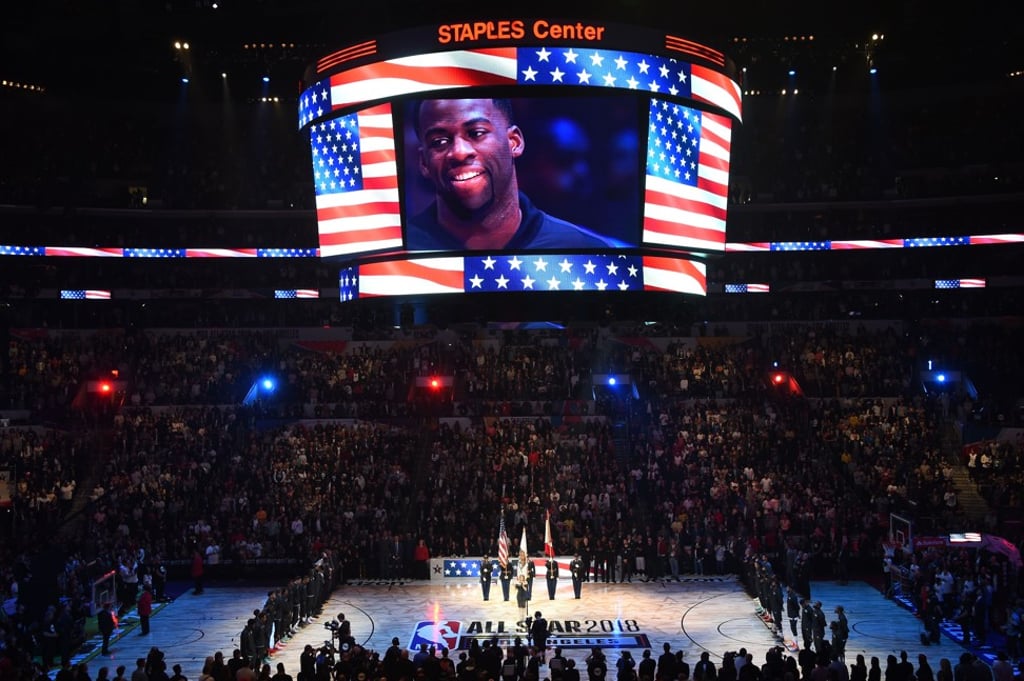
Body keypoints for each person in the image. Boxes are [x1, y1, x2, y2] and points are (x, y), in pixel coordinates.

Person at [406, 98, 617, 251]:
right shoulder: (397, 254)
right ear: (424, 162)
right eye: (439, 142)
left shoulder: (586, 251)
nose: (459, 152)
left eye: (476, 133)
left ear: (514, 142)